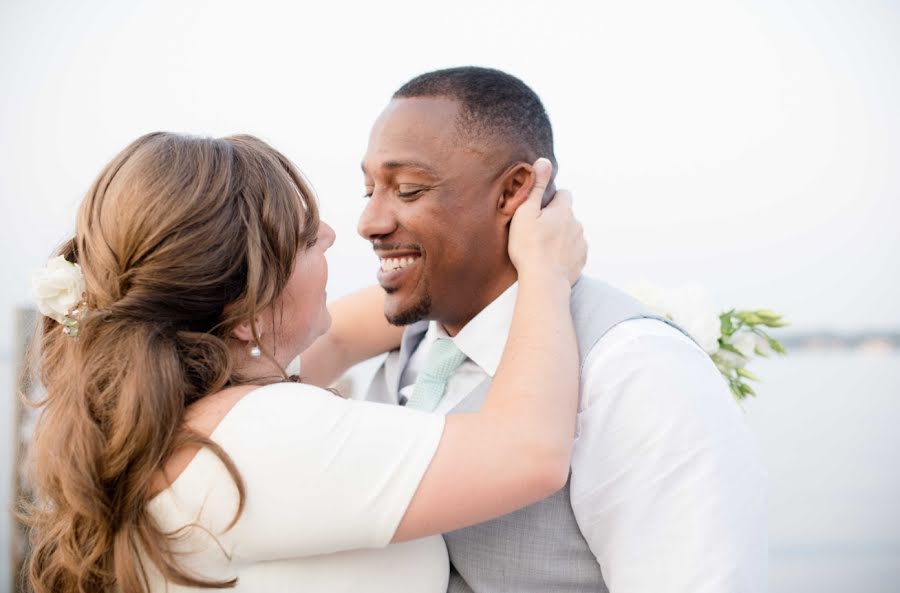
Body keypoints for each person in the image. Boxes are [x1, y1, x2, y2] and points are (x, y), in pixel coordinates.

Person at [23, 132, 587, 593]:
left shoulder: (175, 406)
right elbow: (528, 453)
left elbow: (339, 337)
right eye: (300, 236)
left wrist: (459, 267)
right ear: (244, 309)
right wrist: (544, 271)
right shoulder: (262, 435)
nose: (335, 232)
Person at [306, 67, 768, 593]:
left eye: (408, 189)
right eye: (369, 188)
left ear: (514, 192)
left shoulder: (637, 371)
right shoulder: (403, 339)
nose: (369, 221)